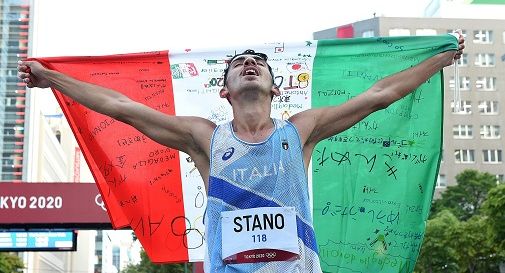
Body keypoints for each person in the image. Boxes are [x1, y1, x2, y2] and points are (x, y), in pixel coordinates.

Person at [18, 35, 464, 273]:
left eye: (259, 64)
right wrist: (53, 79)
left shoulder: (300, 131)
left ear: (276, 86)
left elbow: (380, 95)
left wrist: (441, 59)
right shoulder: (205, 139)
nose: (249, 65)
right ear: (225, 90)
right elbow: (123, 108)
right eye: (238, 65)